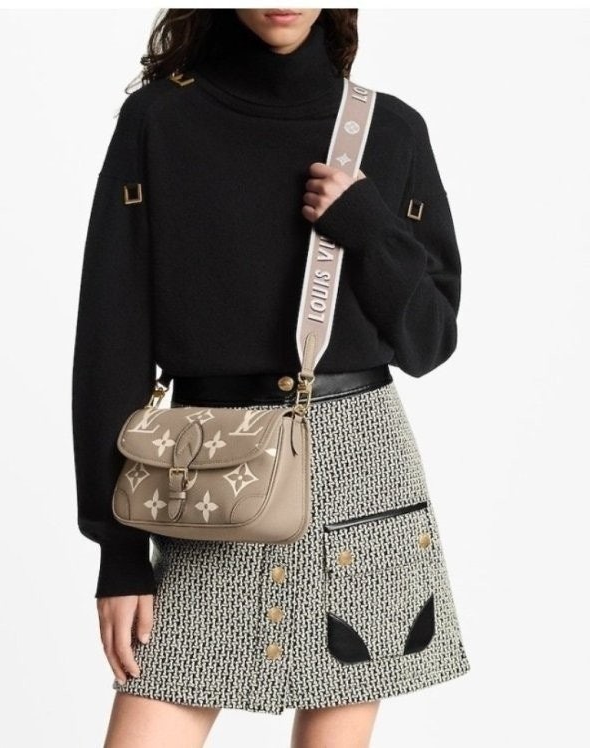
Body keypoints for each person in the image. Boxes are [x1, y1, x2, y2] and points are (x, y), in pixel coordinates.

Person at [71, 8, 471, 747]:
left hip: (360, 474)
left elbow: (430, 340)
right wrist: (118, 553)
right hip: (206, 475)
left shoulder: (390, 130)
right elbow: (110, 338)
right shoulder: (159, 121)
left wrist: (368, 226)